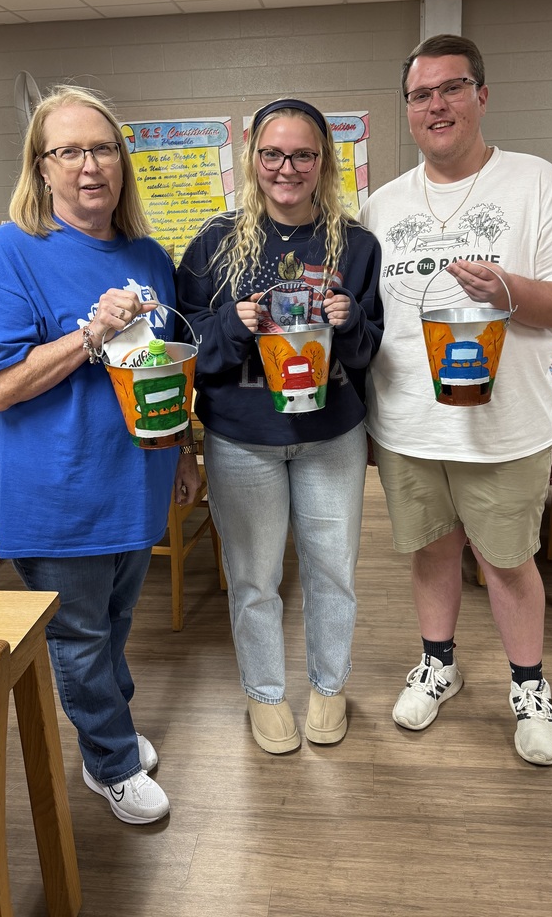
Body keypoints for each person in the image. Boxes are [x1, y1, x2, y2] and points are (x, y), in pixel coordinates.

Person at [358, 35, 552, 766]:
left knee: (507, 562)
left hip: (505, 426)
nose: (436, 105)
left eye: (451, 88)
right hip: (408, 423)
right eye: (420, 94)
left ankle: (529, 686)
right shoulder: (381, 205)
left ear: (481, 96)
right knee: (431, 551)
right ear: (408, 108)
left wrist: (509, 290)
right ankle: (438, 664)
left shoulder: (535, 183)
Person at [0, 85, 200, 823]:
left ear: (122, 161)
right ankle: (110, 762)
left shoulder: (147, 256)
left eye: (102, 149)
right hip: (57, 493)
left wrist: (183, 450)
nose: (89, 165)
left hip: (135, 481)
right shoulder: (11, 250)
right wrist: (90, 333)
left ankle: (111, 728)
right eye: (68, 151)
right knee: (81, 637)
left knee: (114, 625)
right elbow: (1, 386)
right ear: (41, 168)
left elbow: (162, 365)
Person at [177, 98, 383, 754]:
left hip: (332, 437)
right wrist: (231, 324)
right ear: (253, 158)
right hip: (242, 440)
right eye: (272, 154)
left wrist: (350, 321)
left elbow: (369, 351)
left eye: (302, 155)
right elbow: (186, 341)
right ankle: (265, 694)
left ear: (323, 162)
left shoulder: (356, 244)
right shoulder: (214, 242)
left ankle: (329, 685)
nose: (286, 168)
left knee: (333, 573)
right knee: (254, 578)